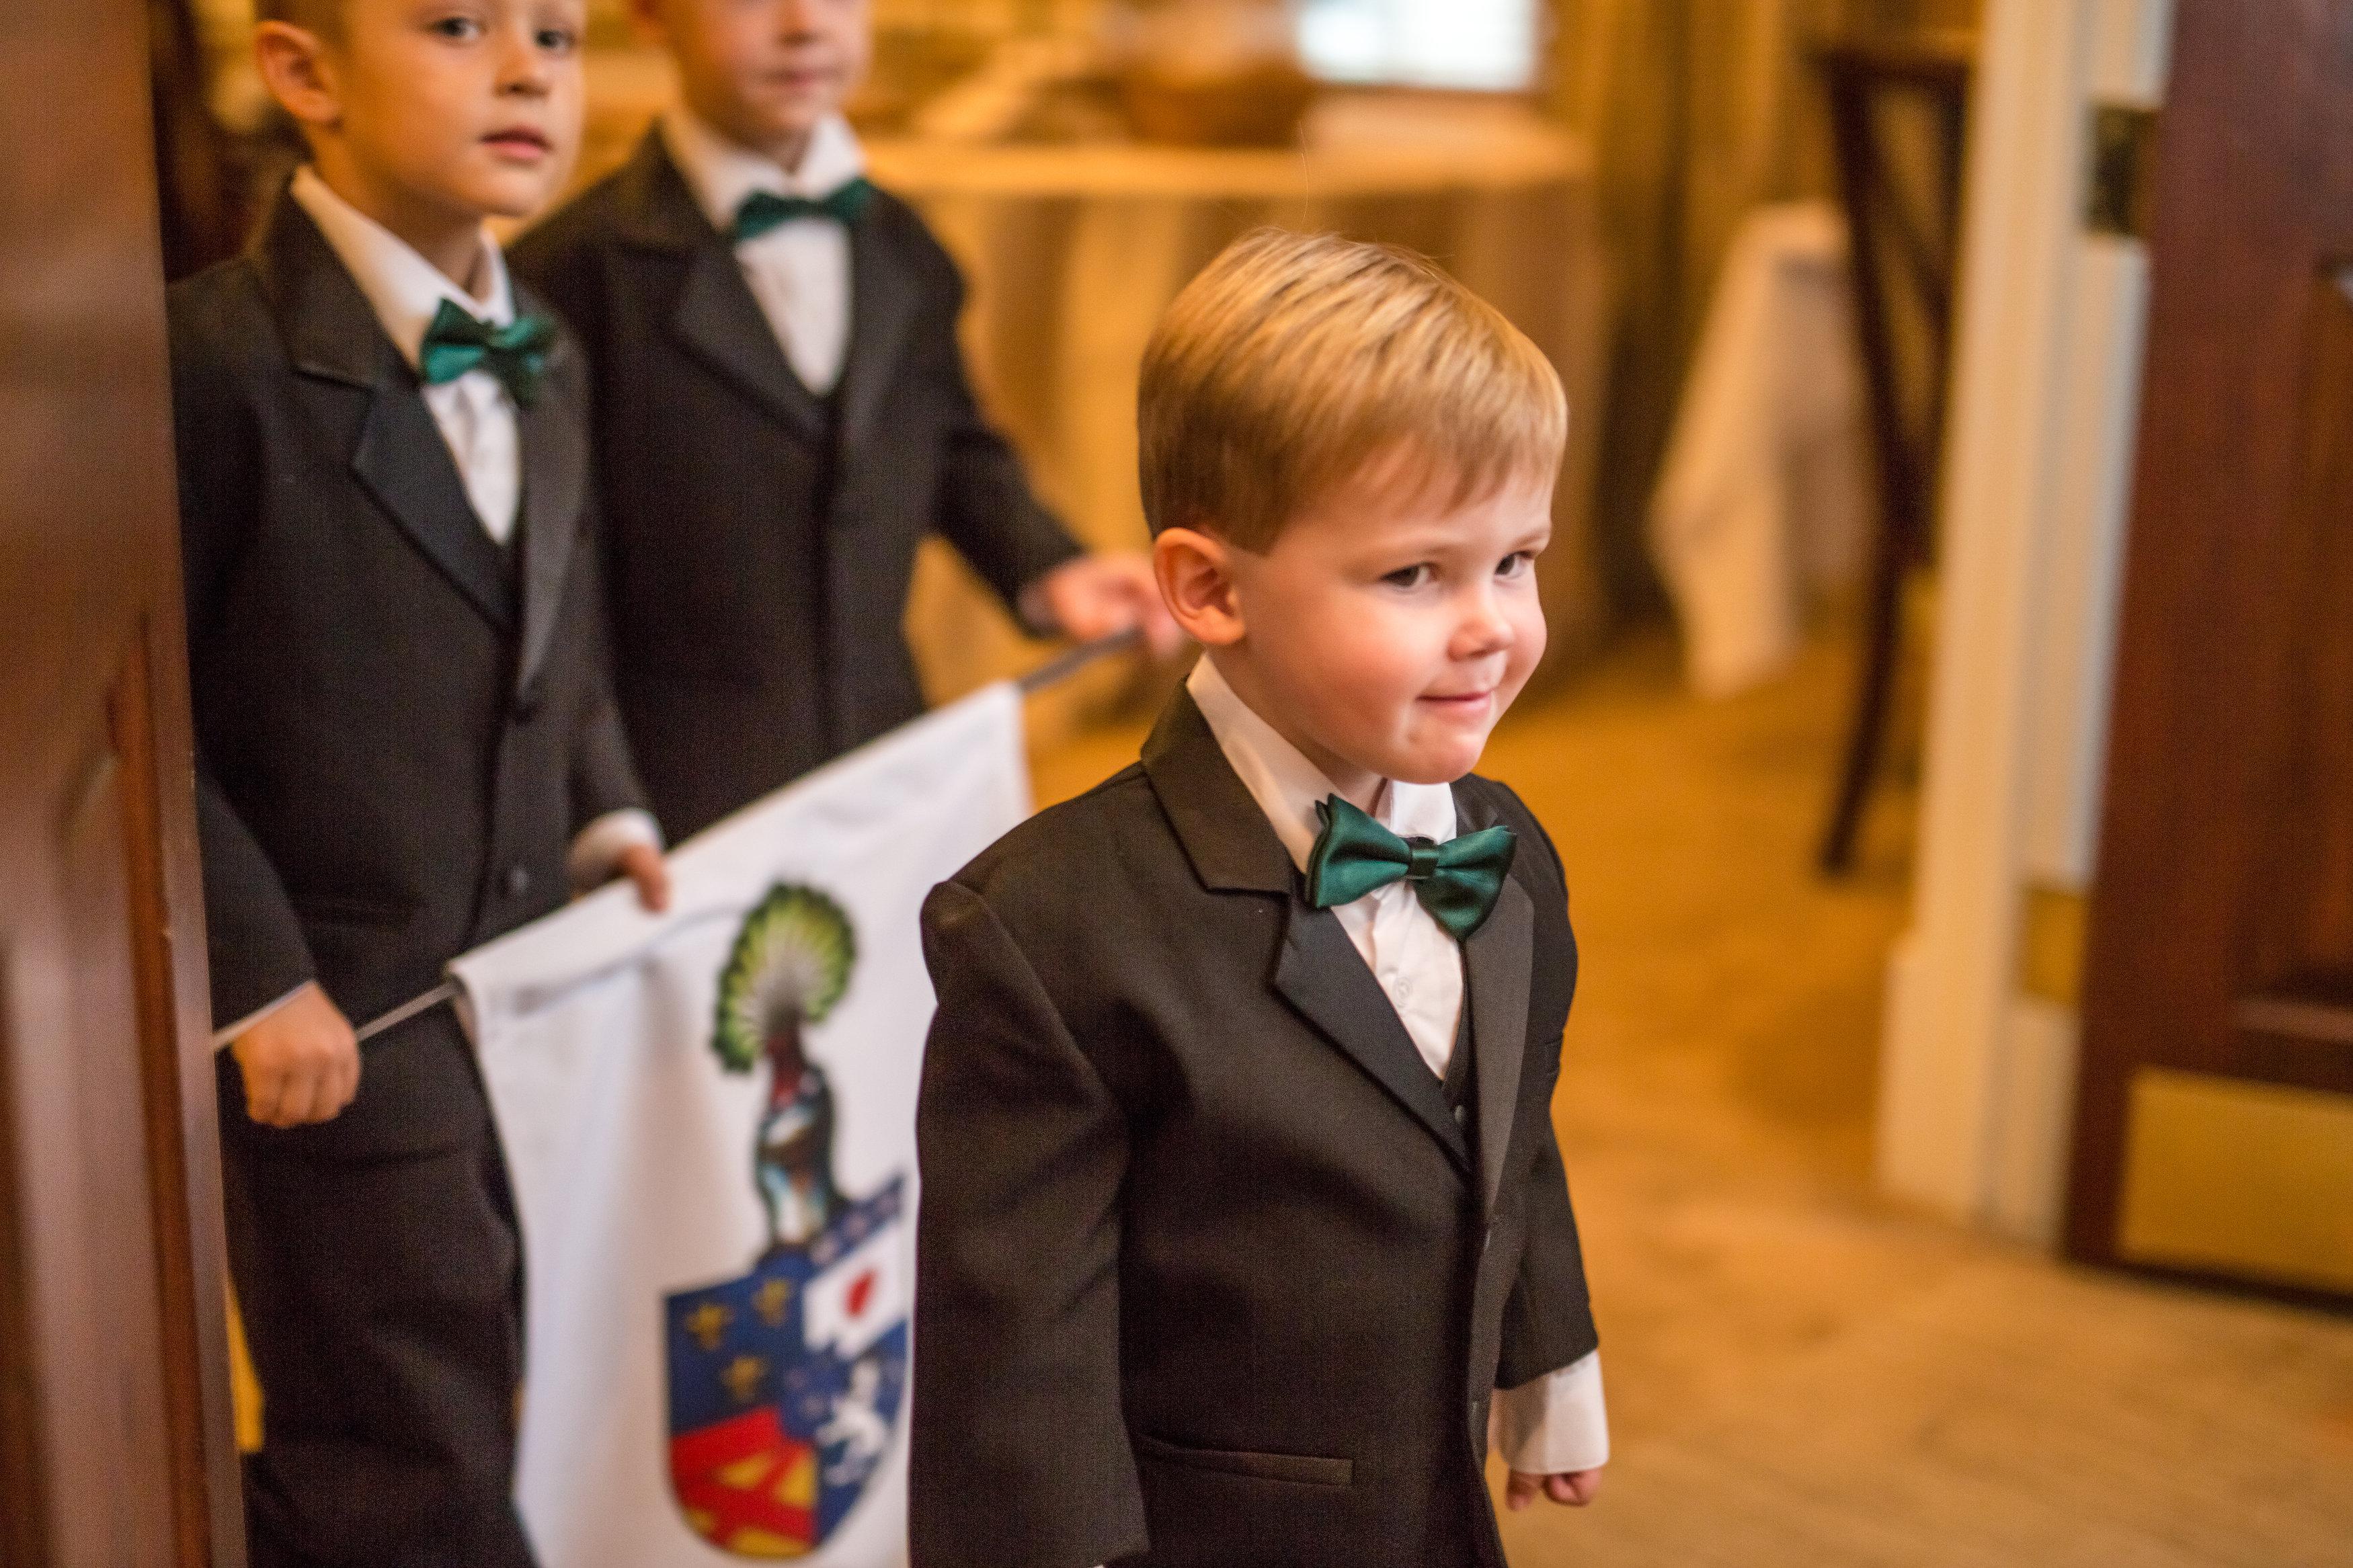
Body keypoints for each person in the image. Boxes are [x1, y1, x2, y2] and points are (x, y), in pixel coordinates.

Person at [910, 228, 1607, 1568]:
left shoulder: (1507, 850)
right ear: (1209, 587)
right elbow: (1012, 1371)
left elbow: (1513, 1123)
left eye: (1514, 560)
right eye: (1417, 573)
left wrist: (1548, 1352)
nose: (1491, 625)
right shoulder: (1050, 928)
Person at [169, 2, 668, 1561]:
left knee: (528, 1373)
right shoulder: (207, 363)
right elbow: (130, 719)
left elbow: (554, 626)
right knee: (399, 1444)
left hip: (529, 1007)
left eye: (560, 35)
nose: (528, 70)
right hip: (348, 1030)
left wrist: (608, 799)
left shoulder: (552, 351)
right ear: (303, 69)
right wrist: (254, 976)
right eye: (456, 24)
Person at [510, 0, 1177, 841]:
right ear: (649, 13)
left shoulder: (905, 245)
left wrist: (1050, 568)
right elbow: (557, 581)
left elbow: (950, 442)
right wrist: (601, 802)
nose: (803, 23)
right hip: (684, 799)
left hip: (884, 766)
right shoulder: (569, 272)